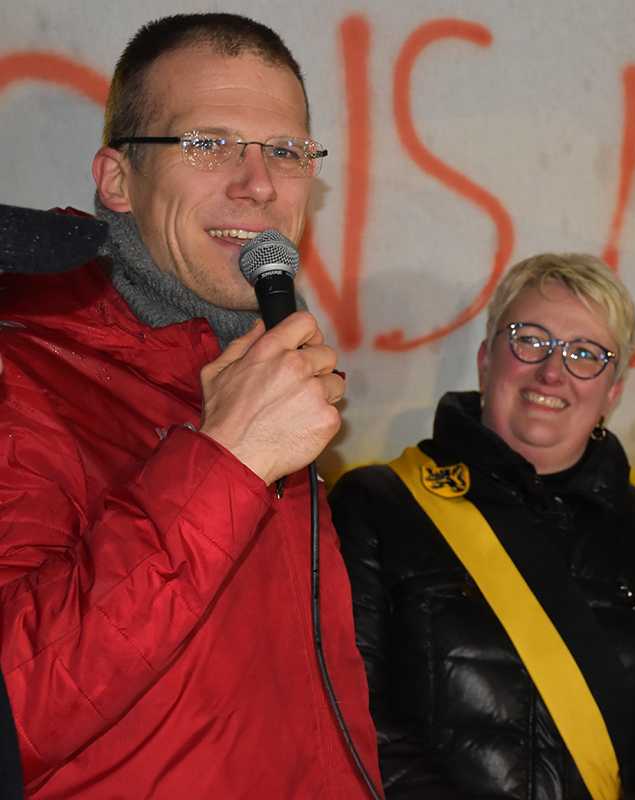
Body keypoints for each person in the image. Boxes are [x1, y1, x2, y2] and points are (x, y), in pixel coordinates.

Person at [0, 14, 381, 797]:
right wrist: (228, 459)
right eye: (207, 144)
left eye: (285, 151)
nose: (258, 183)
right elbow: (18, 707)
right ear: (116, 180)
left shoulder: (261, 366)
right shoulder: (22, 372)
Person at [331, 253, 635, 799]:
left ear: (613, 392)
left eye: (586, 354)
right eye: (530, 340)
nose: (552, 372)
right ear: (486, 359)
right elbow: (352, 709)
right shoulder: (378, 505)